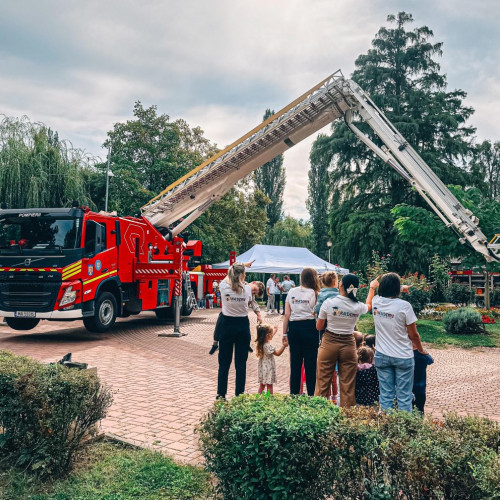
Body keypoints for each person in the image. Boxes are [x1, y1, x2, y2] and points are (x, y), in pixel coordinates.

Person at [367, 273, 428, 413]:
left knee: (386, 395)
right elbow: (414, 335)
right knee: (404, 397)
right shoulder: (405, 306)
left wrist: (371, 288)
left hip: (382, 355)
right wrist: (420, 349)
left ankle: (387, 427)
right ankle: (404, 429)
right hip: (403, 356)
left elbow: (370, 301)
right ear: (396, 288)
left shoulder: (376, 301)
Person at [315, 274, 373, 407]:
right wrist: (372, 289)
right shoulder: (358, 306)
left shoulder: (329, 303)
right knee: (348, 385)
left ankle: (319, 414)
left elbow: (319, 326)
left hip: (329, 342)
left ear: (340, 285)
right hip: (348, 343)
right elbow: (369, 305)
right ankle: (346, 417)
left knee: (323, 381)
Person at [215, 262, 254, 399]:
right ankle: (239, 394)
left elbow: (229, 273)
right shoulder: (247, 289)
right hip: (242, 325)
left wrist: (241, 265)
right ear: (242, 275)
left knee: (224, 363)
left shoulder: (224, 286)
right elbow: (249, 301)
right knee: (241, 363)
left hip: (227, 324)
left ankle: (221, 394)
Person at [283, 267, 320, 396]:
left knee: (295, 364)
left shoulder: (291, 291)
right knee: (311, 364)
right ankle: (311, 395)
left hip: (294, 328)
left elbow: (287, 314)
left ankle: (294, 394)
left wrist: (284, 333)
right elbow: (317, 313)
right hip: (310, 327)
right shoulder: (315, 293)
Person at [209, 281, 264, 355]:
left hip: (241, 314)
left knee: (246, 327)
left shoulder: (251, 294)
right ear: (253, 283)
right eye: (254, 289)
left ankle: (246, 344)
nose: (253, 292)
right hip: (229, 311)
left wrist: (259, 315)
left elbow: (254, 303)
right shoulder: (241, 284)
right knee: (220, 322)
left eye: (254, 293)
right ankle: (215, 343)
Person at [255, 323, 287, 394]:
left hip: (262, 368)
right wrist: (284, 346)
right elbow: (278, 353)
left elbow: (270, 336)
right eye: (271, 333)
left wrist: (275, 330)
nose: (272, 334)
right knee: (269, 386)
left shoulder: (261, 343)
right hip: (268, 368)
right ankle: (269, 400)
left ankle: (258, 398)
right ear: (267, 335)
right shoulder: (268, 346)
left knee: (262, 385)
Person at [413, 342, 434, 414]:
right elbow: (431, 360)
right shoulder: (422, 354)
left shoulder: (406, 354)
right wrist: (424, 352)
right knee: (420, 408)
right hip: (420, 386)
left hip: (408, 386)